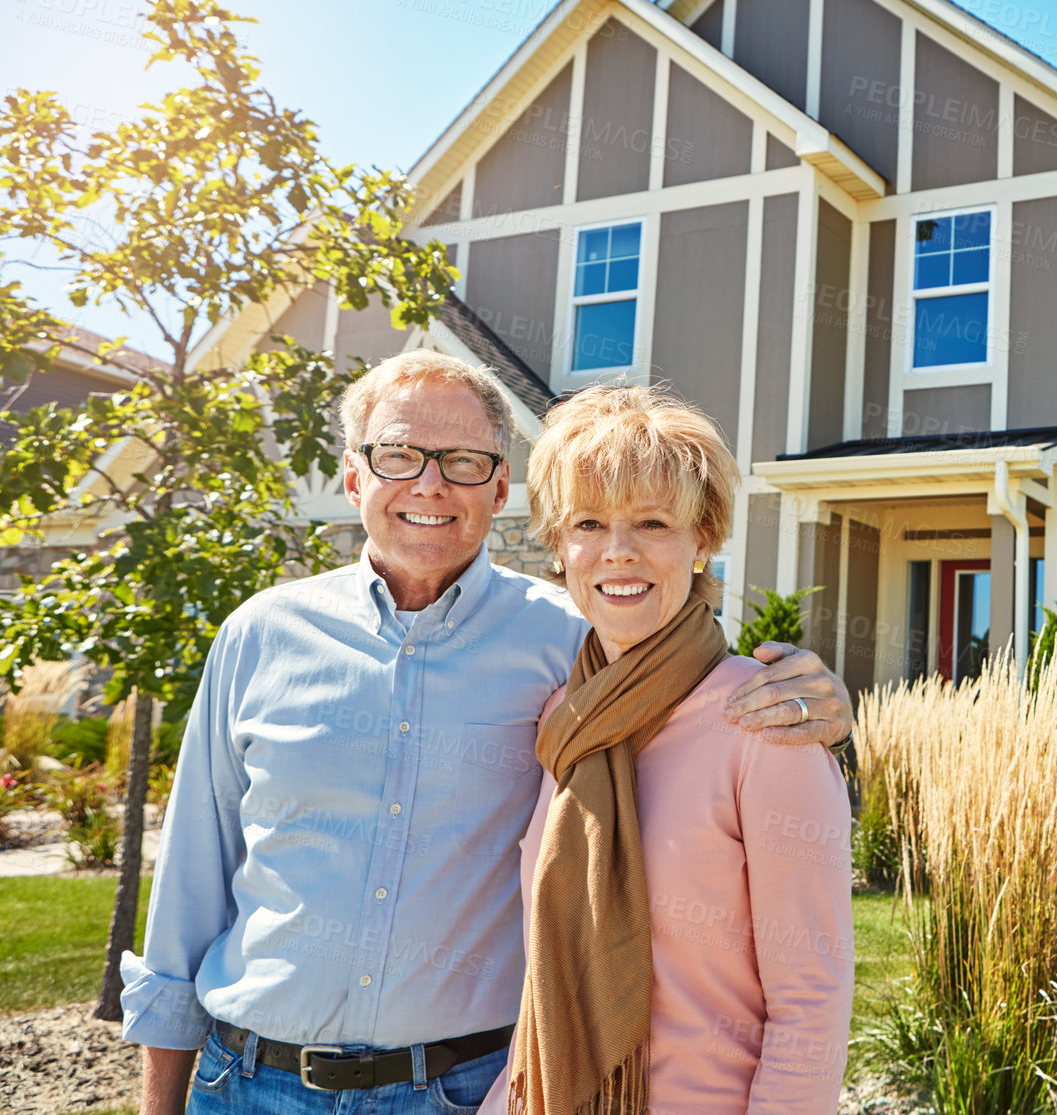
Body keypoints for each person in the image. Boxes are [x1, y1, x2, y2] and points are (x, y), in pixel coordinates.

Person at [120, 353, 851, 1115]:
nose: (429, 485)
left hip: (455, 1087)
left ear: (499, 487)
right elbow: (188, 889)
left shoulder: (590, 655)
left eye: (463, 461)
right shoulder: (263, 636)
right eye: (398, 455)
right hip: (252, 1086)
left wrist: (818, 699)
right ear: (353, 476)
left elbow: (680, 656)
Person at [480, 383, 851, 1115]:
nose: (619, 552)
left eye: (652, 523)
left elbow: (812, 999)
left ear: (702, 538)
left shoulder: (764, 720)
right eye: (589, 522)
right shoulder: (562, 719)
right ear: (559, 545)